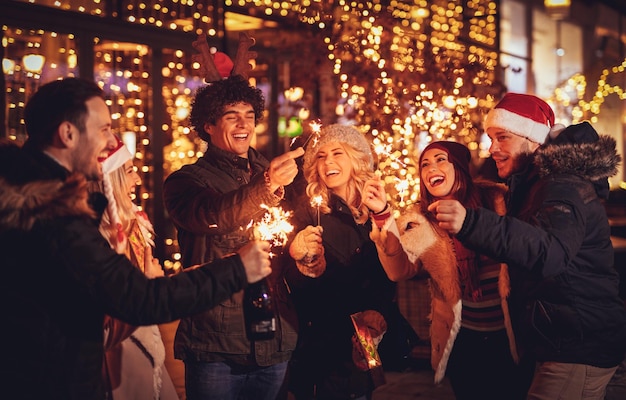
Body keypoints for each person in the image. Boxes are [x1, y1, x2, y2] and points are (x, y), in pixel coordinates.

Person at [0, 77, 272, 399]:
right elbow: (139, 299)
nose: (110, 140)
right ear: (68, 134)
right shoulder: (48, 212)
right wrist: (239, 268)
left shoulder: (37, 196)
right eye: (103, 129)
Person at [428, 93, 626, 399]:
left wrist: (472, 223)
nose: (492, 148)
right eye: (491, 138)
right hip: (567, 338)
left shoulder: (561, 184)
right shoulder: (539, 182)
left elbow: (550, 252)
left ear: (533, 138)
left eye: (502, 137)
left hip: (576, 344)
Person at [162, 73, 304, 400]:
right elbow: (215, 215)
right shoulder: (186, 182)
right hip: (217, 342)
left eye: (249, 115)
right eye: (231, 116)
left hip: (274, 334)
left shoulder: (268, 170)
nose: (243, 124)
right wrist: (266, 186)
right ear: (208, 125)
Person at [370, 140, 525, 399]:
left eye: (441, 159)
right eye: (425, 164)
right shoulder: (422, 220)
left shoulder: (498, 200)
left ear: (459, 167)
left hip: (510, 336)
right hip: (464, 341)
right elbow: (399, 271)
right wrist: (382, 215)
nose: (432, 168)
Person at [285, 124, 399, 400]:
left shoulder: (376, 208)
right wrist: (303, 259)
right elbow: (294, 279)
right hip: (323, 350)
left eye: (337, 153)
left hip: (364, 341)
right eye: (320, 156)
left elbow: (392, 271)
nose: (328, 162)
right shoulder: (309, 212)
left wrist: (378, 312)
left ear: (356, 158)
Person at [95, 136, 178, 399]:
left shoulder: (134, 222)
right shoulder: (97, 236)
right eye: (130, 171)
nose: (138, 180)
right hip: (120, 344)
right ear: (112, 179)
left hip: (145, 330)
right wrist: (148, 283)